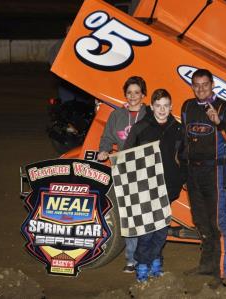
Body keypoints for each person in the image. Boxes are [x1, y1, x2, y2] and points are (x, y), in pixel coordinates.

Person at [181, 69, 226, 288]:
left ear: (213, 84)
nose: (200, 89)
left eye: (205, 84)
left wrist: (219, 123)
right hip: (194, 172)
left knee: (218, 222)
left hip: (217, 171)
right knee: (200, 221)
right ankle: (206, 265)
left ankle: (222, 272)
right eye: (196, 85)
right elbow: (185, 140)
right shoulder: (187, 106)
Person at [123, 88, 183, 282]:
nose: (162, 109)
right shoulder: (141, 127)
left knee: (161, 230)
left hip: (168, 188)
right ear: (152, 106)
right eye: (158, 106)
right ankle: (142, 264)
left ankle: (155, 260)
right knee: (147, 231)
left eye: (166, 106)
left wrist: (182, 179)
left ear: (171, 107)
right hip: (145, 187)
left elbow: (184, 157)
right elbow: (126, 156)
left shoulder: (178, 128)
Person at [98, 76, 148, 273]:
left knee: (144, 217)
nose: (133, 96)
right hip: (123, 171)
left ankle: (146, 258)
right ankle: (131, 260)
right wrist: (104, 150)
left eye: (137, 92)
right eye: (129, 93)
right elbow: (107, 138)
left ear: (143, 95)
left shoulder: (149, 115)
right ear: (125, 94)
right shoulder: (117, 116)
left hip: (145, 171)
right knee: (128, 217)